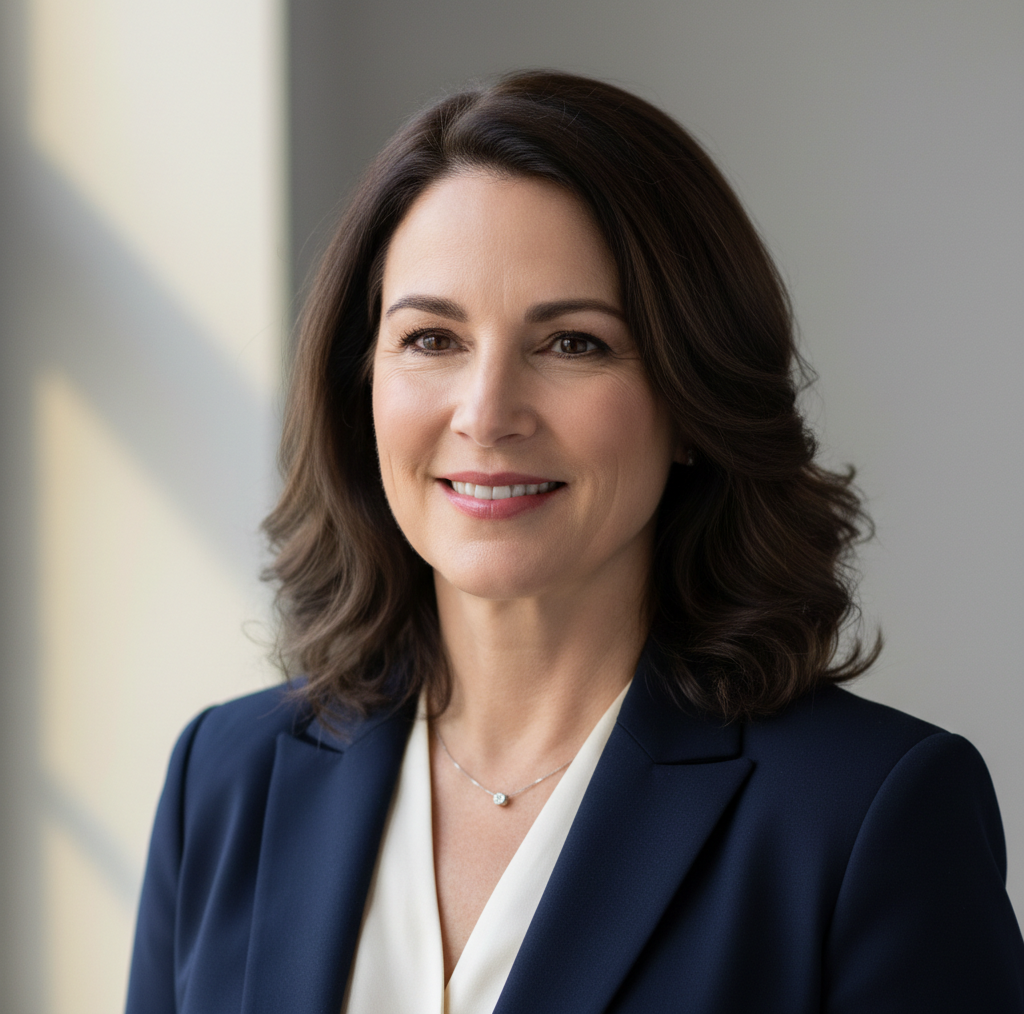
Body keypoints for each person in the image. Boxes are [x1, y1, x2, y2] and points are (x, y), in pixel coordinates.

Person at [125, 71, 1024, 1013]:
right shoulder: (226, 779)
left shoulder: (865, 817)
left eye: (574, 344)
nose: (487, 413)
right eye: (432, 338)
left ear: (691, 401)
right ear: (362, 391)